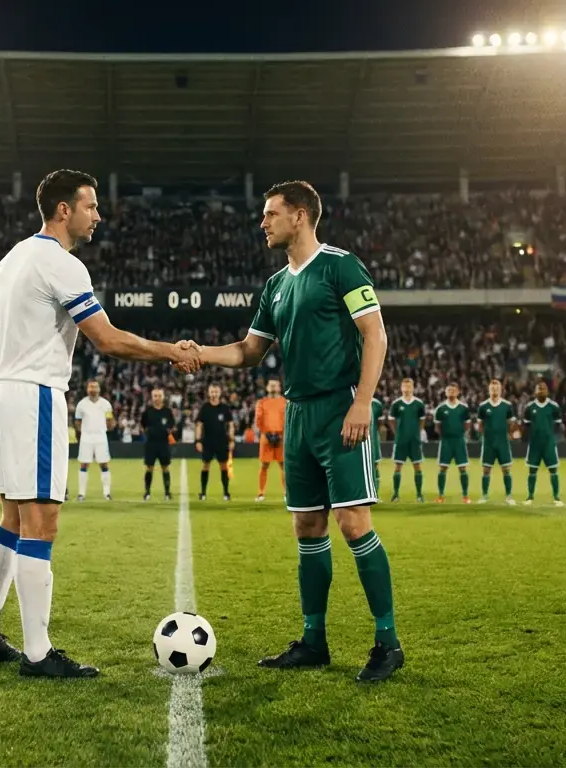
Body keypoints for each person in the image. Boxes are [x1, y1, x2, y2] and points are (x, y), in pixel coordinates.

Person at [0, 169, 200, 678]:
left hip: (2, 393)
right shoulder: (62, 264)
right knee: (41, 523)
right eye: (91, 206)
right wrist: (170, 352)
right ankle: (38, 654)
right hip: (35, 397)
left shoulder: (13, 257)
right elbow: (109, 339)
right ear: (64, 210)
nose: (99, 216)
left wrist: (6, 379)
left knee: (11, 517)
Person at [190, 180, 402, 683]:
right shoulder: (276, 285)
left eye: (271, 214)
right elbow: (248, 351)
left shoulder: (340, 265)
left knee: (353, 523)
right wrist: (199, 352)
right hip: (298, 415)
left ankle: (388, 643)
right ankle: (313, 641)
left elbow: (375, 333)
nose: (263, 222)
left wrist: (362, 403)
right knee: (307, 528)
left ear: (301, 216)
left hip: (340, 409)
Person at [521, 381, 564, 506]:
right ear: (535, 392)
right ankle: (530, 497)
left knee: (553, 470)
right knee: (532, 470)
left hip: (549, 444)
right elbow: (526, 425)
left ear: (548, 392)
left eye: (544, 389)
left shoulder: (554, 406)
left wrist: (549, 435)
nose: (541, 391)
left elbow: (558, 423)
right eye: (539, 389)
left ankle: (556, 497)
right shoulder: (529, 407)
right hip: (534, 444)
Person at [475, 378, 517, 504]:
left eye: (497, 388)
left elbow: (511, 423)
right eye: (492, 388)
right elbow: (480, 424)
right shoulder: (483, 406)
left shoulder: (507, 405)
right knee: (486, 470)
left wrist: (511, 434)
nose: (495, 390)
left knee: (506, 469)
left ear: (501, 390)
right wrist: (485, 435)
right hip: (488, 443)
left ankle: (509, 496)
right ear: (489, 390)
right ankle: (484, 495)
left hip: (503, 443)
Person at [74, 380, 114, 501]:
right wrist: (81, 432)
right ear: (87, 389)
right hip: (86, 437)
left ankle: (107, 493)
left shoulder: (106, 404)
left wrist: (108, 427)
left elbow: (110, 419)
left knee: (104, 463)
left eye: (95, 387)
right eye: (91, 387)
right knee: (84, 464)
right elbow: (77, 421)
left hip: (101, 437)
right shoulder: (81, 404)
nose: (93, 389)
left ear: (99, 389)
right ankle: (81, 494)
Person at [388, 378, 426, 503]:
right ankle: (396, 494)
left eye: (409, 386)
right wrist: (397, 433)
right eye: (404, 386)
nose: (406, 388)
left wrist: (417, 432)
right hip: (401, 441)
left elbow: (422, 420)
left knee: (417, 466)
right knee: (397, 467)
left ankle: (419, 495)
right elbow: (391, 420)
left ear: (413, 388)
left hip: (414, 441)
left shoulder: (419, 404)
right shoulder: (396, 404)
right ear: (401, 388)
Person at [195, 383, 235, 501]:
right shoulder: (205, 408)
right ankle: (202, 492)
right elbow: (199, 425)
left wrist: (232, 439)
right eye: (212, 392)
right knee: (205, 465)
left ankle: (226, 492)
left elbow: (231, 425)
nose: (214, 394)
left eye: (216, 392)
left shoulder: (225, 408)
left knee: (223, 466)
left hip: (222, 441)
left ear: (220, 393)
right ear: (208, 393)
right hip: (207, 442)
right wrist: (198, 440)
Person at [434, 383, 472, 504]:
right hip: (446, 442)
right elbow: (437, 426)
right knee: (443, 468)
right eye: (449, 390)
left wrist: (458, 433)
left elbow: (467, 425)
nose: (451, 392)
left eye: (453, 390)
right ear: (445, 392)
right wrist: (446, 434)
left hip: (459, 441)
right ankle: (440, 496)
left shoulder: (463, 408)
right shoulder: (440, 409)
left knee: (462, 468)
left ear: (458, 392)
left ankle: (465, 496)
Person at [254, 378, 286, 501]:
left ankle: (286, 494)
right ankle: (261, 493)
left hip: (281, 437)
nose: (273, 387)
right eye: (271, 385)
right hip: (266, 437)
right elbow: (258, 419)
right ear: (267, 387)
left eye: (275, 385)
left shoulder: (285, 402)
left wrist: (282, 434)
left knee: (284, 465)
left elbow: (287, 419)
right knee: (264, 465)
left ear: (279, 387)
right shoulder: (262, 402)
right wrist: (265, 433)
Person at [141, 388, 176, 501]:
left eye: (159, 395)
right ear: (152, 397)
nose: (157, 398)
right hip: (151, 444)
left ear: (163, 397)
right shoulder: (147, 412)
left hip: (163, 444)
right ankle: (147, 492)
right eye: (155, 396)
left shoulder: (167, 412)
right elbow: (142, 426)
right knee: (149, 468)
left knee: (165, 467)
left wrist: (166, 432)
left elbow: (172, 426)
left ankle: (167, 492)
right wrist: (149, 433)